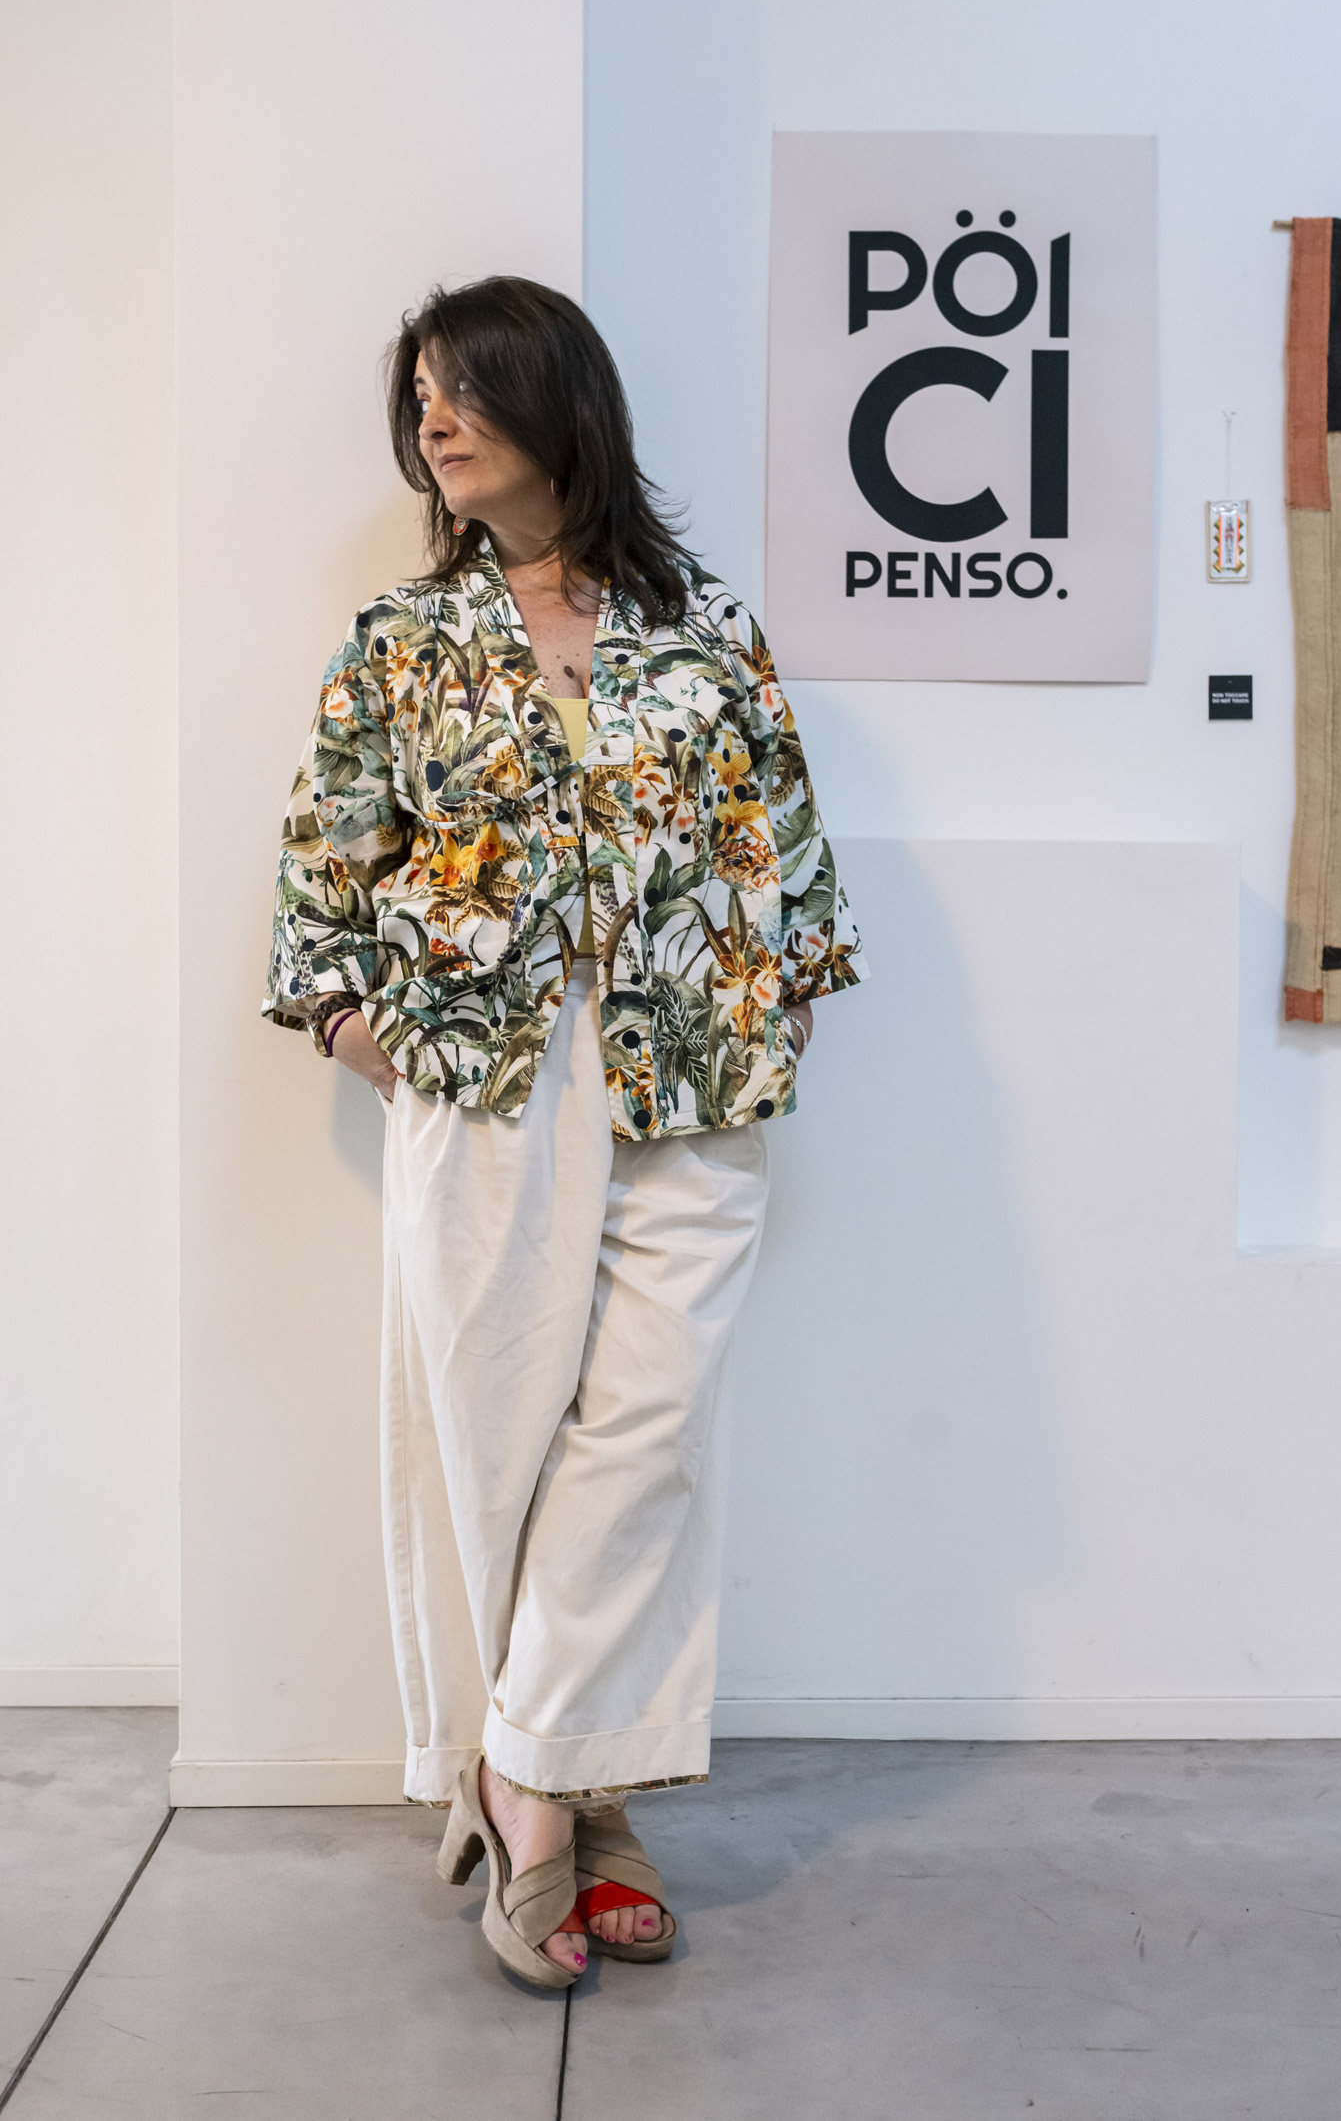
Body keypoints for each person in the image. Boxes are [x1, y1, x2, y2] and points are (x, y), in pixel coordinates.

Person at [263, 276, 863, 1987]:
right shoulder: (399, 641)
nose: (436, 422)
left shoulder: (706, 627)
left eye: (463, 390)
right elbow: (320, 882)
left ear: (557, 404)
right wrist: (366, 1036)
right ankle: (585, 1807)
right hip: (486, 1076)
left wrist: (782, 994)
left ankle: (520, 1772)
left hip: (693, 1068)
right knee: (498, 1442)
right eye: (421, 401)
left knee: (647, 1432)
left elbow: (790, 850)